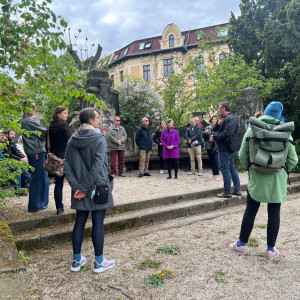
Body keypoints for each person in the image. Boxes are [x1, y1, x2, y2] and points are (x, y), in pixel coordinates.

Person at [229, 101, 298, 259]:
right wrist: (282, 169)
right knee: (274, 213)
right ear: (279, 115)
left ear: (265, 112)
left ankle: (241, 245)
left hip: (257, 177)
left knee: (251, 210)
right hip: (277, 179)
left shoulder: (254, 128)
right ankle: (270, 250)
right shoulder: (285, 131)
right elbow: (293, 159)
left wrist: (251, 168)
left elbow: (242, 155)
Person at [64, 108, 115, 273]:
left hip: (79, 188)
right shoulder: (99, 138)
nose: (99, 120)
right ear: (91, 120)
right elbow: (98, 166)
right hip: (97, 187)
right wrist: (84, 188)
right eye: (97, 117)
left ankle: (76, 260)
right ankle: (99, 262)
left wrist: (77, 187)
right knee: (98, 222)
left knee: (80, 221)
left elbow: (67, 165)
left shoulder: (72, 140)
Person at [21, 101, 49, 212]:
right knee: (38, 179)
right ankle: (35, 205)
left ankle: (40, 203)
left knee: (42, 178)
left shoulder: (25, 120)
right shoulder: (28, 121)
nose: (34, 108)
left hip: (35, 151)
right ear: (25, 108)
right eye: (31, 107)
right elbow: (44, 132)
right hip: (36, 152)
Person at [211, 102, 241, 198]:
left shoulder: (230, 119)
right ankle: (237, 189)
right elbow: (216, 130)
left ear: (223, 108)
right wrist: (217, 125)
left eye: (219, 108)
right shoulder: (225, 119)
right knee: (231, 168)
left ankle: (227, 191)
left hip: (226, 148)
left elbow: (226, 133)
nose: (218, 110)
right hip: (227, 148)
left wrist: (215, 138)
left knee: (225, 169)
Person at [48, 106, 72, 215]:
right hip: (65, 157)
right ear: (58, 114)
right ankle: (80, 203)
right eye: (64, 113)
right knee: (74, 181)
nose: (66, 115)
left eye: (67, 113)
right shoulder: (64, 126)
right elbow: (70, 143)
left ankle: (59, 207)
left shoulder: (50, 126)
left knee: (59, 183)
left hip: (55, 158)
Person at [3, 130, 31, 195]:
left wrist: (24, 158)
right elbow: (9, 155)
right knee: (18, 167)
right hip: (8, 163)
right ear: (7, 135)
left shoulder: (12, 142)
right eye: (12, 134)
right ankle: (18, 189)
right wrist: (20, 159)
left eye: (14, 134)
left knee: (23, 164)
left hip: (12, 161)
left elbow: (17, 151)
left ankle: (25, 185)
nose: (14, 136)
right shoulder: (4, 144)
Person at [203, 116, 220, 180]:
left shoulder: (218, 128)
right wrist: (205, 133)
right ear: (211, 120)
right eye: (213, 119)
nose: (214, 120)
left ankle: (217, 174)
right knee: (211, 160)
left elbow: (220, 136)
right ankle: (214, 174)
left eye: (216, 119)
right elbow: (204, 137)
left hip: (216, 146)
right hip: (208, 146)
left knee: (216, 160)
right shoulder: (207, 127)